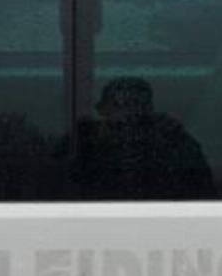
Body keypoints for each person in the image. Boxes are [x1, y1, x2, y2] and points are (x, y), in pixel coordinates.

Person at [70, 77, 214, 199]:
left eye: (136, 105)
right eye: (120, 106)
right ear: (102, 110)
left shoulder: (174, 144)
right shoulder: (81, 144)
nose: (128, 115)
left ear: (149, 110)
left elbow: (201, 197)